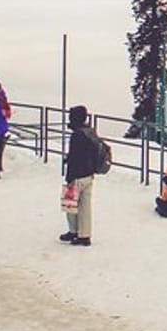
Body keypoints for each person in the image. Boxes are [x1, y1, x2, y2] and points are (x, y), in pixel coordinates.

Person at [60, 105, 98, 246]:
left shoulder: (77, 135)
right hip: (89, 174)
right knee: (85, 206)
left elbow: (75, 158)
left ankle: (74, 231)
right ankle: (85, 235)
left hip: (78, 174)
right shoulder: (90, 131)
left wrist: (69, 177)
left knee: (70, 203)